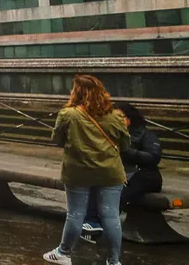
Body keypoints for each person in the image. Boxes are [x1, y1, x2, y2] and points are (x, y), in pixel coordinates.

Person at [43, 75, 129, 265]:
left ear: (77, 93)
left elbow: (57, 140)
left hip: (78, 172)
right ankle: (114, 261)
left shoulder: (68, 114)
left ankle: (64, 253)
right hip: (111, 172)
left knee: (75, 214)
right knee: (111, 215)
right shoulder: (116, 116)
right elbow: (125, 145)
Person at [83, 102, 163, 241]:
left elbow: (153, 157)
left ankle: (105, 229)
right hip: (120, 174)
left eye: (120, 117)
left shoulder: (145, 135)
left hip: (144, 175)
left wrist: (126, 151)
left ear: (129, 118)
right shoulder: (110, 134)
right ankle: (91, 225)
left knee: (116, 193)